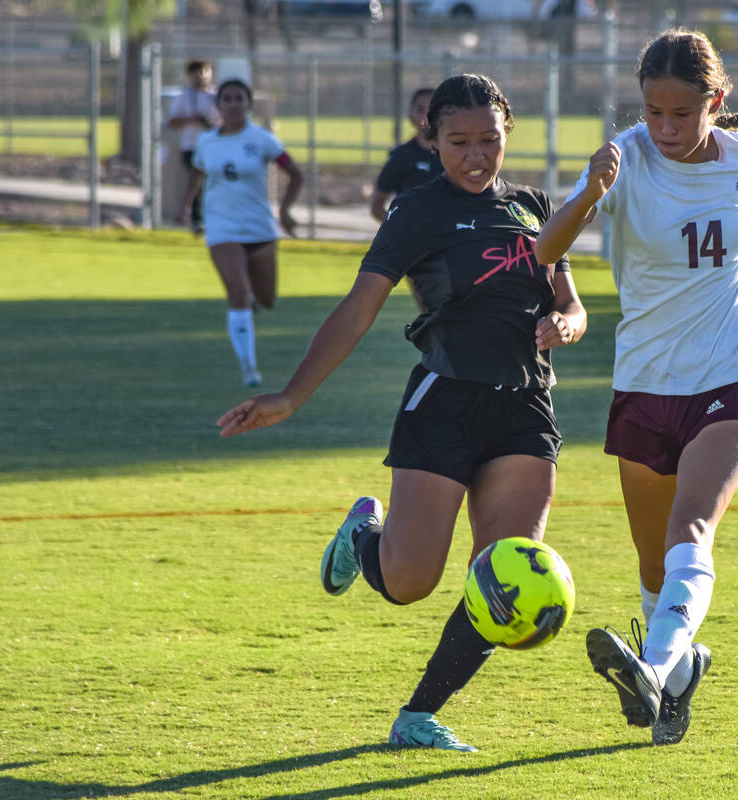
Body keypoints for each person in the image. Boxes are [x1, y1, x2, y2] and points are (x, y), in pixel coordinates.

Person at [215, 74, 586, 752]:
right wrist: (290, 397)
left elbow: (571, 300)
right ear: (433, 139)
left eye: (489, 140)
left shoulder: (533, 205)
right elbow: (357, 311)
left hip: (527, 407)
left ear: (508, 136)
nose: (476, 156)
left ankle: (417, 715)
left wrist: (568, 323)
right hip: (444, 402)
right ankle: (364, 536)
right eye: (459, 142)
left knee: (502, 575)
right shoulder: (416, 211)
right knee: (410, 583)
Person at [535, 29, 738, 747]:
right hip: (646, 382)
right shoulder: (623, 161)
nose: (664, 128)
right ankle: (679, 671)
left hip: (733, 373)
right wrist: (591, 191)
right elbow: (545, 250)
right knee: (654, 567)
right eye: (652, 112)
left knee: (693, 526)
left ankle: (653, 670)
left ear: (715, 102)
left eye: (681, 114)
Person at [179, 78, 304, 389]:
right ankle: (249, 367)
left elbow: (295, 173)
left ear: (249, 104)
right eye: (227, 99)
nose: (233, 105)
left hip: (259, 227)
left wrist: (286, 211)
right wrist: (186, 208)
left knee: (267, 299)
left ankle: (250, 299)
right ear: (218, 105)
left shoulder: (262, 139)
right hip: (222, 227)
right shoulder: (207, 142)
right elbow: (197, 172)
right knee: (236, 288)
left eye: (239, 99)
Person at [369, 87, 444, 223]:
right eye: (420, 109)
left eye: (432, 108)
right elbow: (377, 206)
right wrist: (401, 228)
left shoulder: (455, 154)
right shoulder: (401, 156)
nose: (427, 115)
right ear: (411, 117)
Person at [167, 60, 221, 234]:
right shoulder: (183, 97)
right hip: (192, 146)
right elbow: (173, 122)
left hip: (215, 147)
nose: (201, 76)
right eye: (196, 72)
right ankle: (197, 221)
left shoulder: (217, 96)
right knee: (197, 183)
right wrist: (193, 119)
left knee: (215, 183)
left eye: (205, 71)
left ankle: (215, 218)